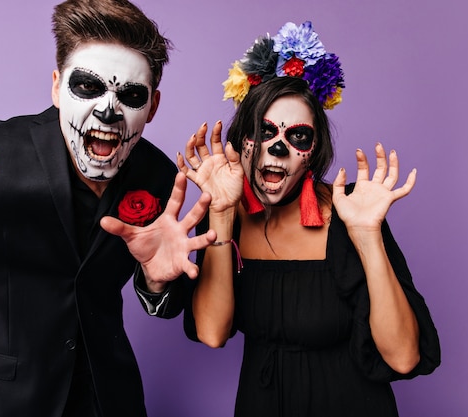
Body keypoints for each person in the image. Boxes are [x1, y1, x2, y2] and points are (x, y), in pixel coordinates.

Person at [0, 0, 217, 416]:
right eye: (88, 86)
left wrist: (156, 285)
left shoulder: (157, 174)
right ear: (56, 87)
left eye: (130, 95)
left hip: (106, 400)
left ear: (152, 106)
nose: (107, 110)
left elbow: (167, 303)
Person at [179, 21, 441, 416]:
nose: (278, 147)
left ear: (314, 152)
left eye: (297, 136)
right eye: (263, 131)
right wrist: (219, 212)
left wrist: (366, 235)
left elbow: (403, 357)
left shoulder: (350, 213)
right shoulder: (223, 212)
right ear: (242, 142)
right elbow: (212, 333)